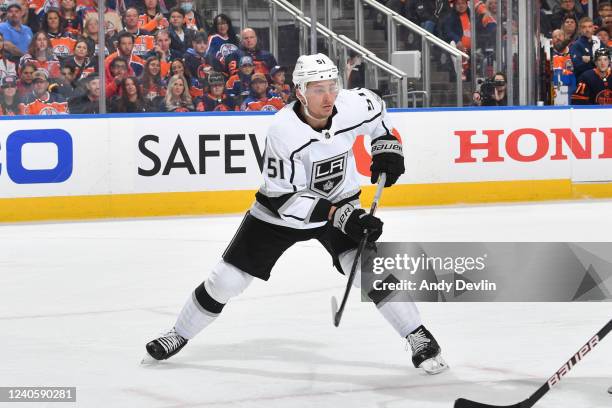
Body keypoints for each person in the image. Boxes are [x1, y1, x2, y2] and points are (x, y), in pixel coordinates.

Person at [144, 54, 449, 375]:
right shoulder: (282, 131)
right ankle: (178, 333)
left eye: (332, 86)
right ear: (300, 92)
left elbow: (380, 117)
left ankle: (418, 335)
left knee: (367, 269)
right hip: (279, 215)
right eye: (318, 89)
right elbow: (287, 199)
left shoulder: (352, 105)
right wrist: (345, 217)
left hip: (340, 199)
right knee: (226, 280)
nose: (329, 96)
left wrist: (386, 146)